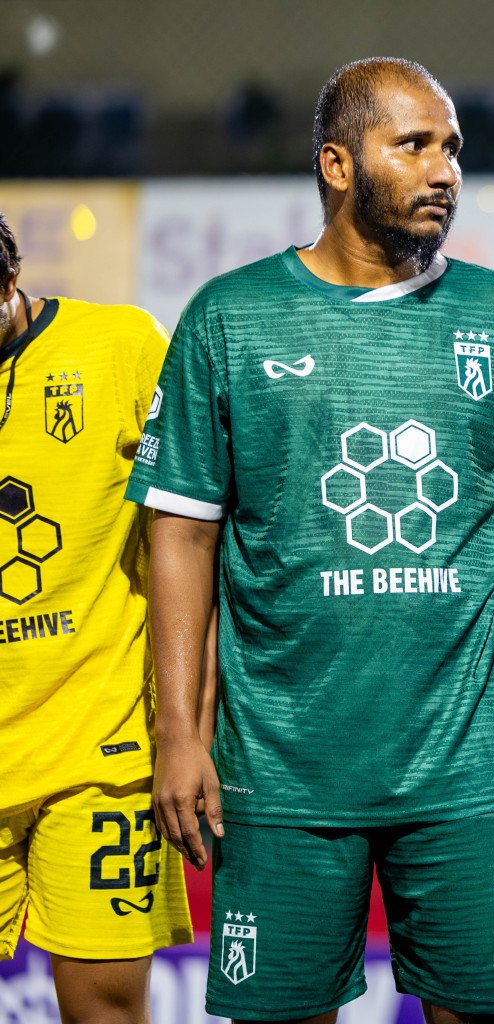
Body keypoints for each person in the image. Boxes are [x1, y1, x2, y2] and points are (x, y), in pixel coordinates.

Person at [126, 57, 494, 1023]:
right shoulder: (230, 317)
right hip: (283, 765)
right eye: (415, 145)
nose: (444, 171)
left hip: (468, 765)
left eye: (453, 149)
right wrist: (177, 732)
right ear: (339, 165)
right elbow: (178, 535)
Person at [0, 211, 194, 1022]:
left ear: (8, 282)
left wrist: (189, 726)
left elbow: (190, 530)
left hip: (98, 752)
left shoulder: (119, 348)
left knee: (106, 1011)